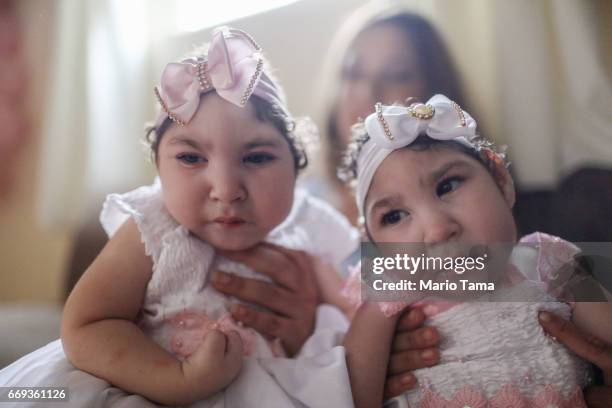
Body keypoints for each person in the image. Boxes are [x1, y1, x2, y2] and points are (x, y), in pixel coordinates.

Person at [0, 27, 359, 407]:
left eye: (257, 158)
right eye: (191, 158)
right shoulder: (152, 229)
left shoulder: (306, 232)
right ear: (158, 169)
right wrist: (178, 379)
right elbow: (86, 324)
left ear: (296, 168)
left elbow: (360, 305)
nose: (225, 189)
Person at [339, 94, 612, 407]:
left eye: (448, 185)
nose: (438, 231)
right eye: (394, 217)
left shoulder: (549, 262)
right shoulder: (388, 295)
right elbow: (348, 398)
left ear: (502, 182)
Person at [315, 4, 469, 224]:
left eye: (396, 76)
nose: (367, 92)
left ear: (435, 90)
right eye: (353, 73)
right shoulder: (296, 207)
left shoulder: (466, 197)